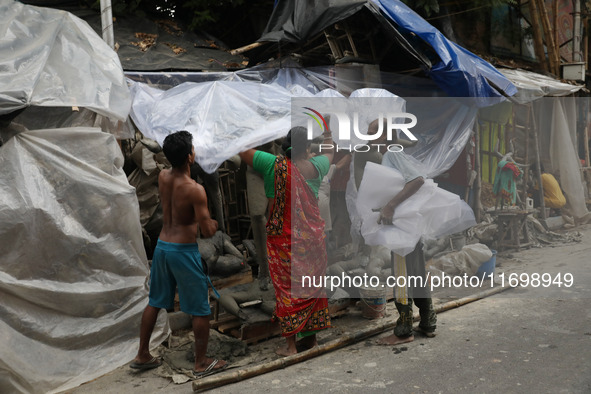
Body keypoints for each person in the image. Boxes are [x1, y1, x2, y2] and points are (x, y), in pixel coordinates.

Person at [131, 130, 227, 377]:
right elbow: (206, 231)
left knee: (155, 301)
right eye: (193, 149)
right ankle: (201, 362)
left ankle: (142, 354)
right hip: (183, 251)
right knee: (200, 308)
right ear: (189, 158)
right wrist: (212, 223)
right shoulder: (195, 189)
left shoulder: (163, 176)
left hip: (163, 247)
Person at [239, 126, 334, 356]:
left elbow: (242, 150)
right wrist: (328, 130)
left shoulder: (272, 164)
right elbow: (331, 151)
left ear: (284, 146)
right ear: (308, 148)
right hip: (312, 242)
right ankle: (310, 340)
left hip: (284, 242)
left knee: (287, 292)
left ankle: (291, 346)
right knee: (310, 288)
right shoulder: (316, 166)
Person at [358, 119, 437, 345]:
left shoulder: (391, 154)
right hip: (409, 225)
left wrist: (390, 206)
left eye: (372, 132)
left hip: (403, 228)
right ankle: (428, 323)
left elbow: (417, 180)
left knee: (401, 275)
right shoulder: (389, 155)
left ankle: (404, 330)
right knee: (417, 273)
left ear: (384, 135)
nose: (368, 135)